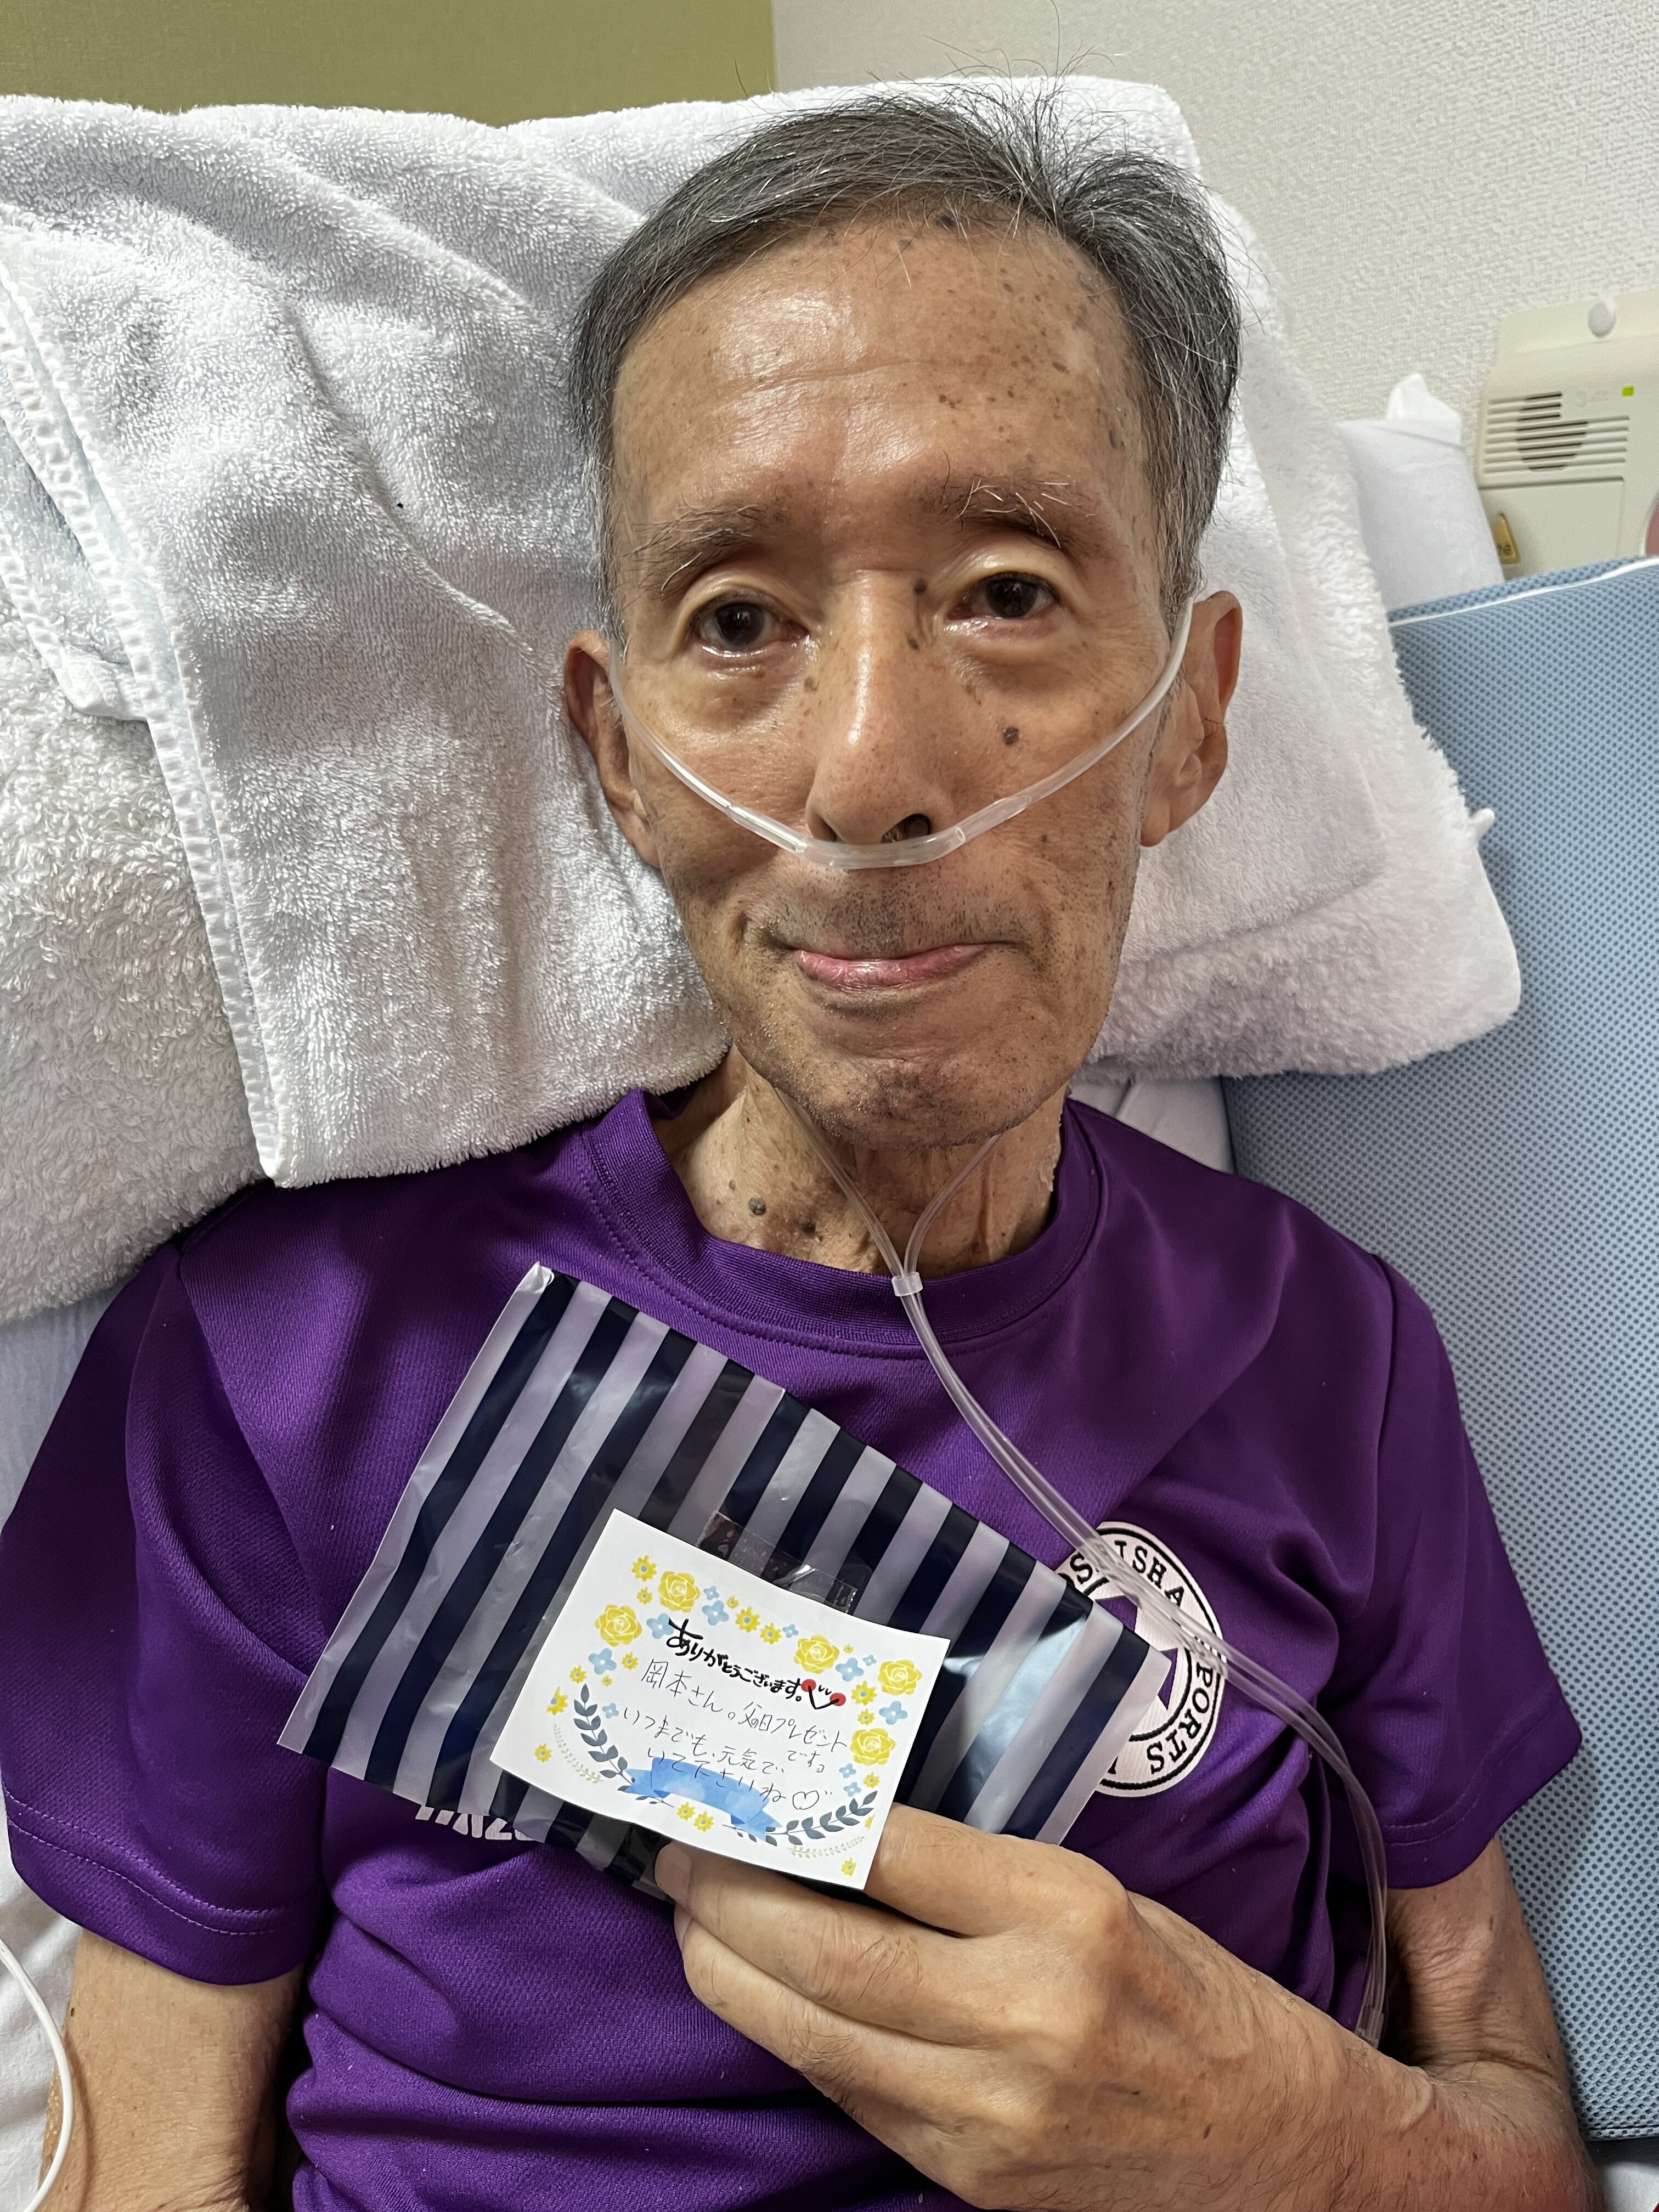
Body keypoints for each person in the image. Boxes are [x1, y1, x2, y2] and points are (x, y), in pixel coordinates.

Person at [0, 91, 1594, 2212]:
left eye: (1007, 591)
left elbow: (1520, 2134)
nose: (867, 771)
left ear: (1193, 718)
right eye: (740, 621)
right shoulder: (299, 1364)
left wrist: (1288, 2136)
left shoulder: (1327, 1356)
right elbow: (142, 2163)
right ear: (620, 754)